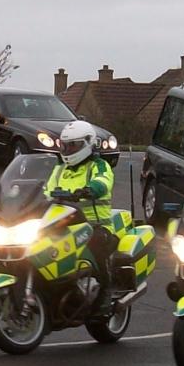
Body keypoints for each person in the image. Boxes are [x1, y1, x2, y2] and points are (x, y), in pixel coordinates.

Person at [44, 120, 116, 315]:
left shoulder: (98, 166)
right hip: (65, 224)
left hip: (95, 225)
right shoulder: (60, 169)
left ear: (87, 143)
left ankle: (106, 293)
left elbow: (103, 182)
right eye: (65, 146)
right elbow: (46, 190)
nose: (68, 150)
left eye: (73, 145)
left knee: (96, 244)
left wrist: (90, 190)